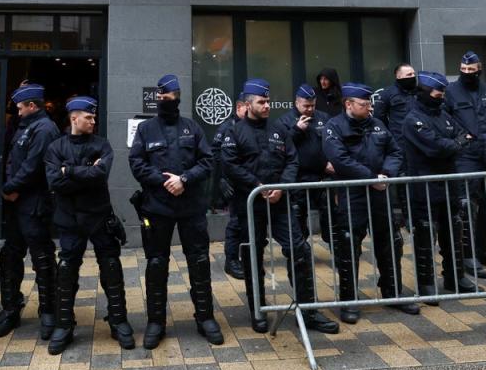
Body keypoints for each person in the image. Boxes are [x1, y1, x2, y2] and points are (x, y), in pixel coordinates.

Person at [222, 79, 339, 335]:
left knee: (300, 250)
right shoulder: (235, 132)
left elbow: (292, 161)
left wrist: (281, 187)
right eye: (261, 102)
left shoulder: (278, 130)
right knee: (253, 256)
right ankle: (258, 309)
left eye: (268, 101)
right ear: (248, 104)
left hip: (280, 203)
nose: (266, 106)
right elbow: (230, 165)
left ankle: (308, 311)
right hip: (250, 205)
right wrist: (259, 186)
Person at [129, 74, 223, 349]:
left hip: (190, 207)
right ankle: (156, 322)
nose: (163, 100)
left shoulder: (191, 127)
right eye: (160, 96)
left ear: (177, 97)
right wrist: (164, 180)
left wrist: (184, 179)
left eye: (168, 96)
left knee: (199, 261)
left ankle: (205, 317)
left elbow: (207, 161)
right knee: (157, 264)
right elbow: (136, 163)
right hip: (157, 208)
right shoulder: (146, 129)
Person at [322, 83, 418, 325]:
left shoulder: (377, 124)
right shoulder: (334, 126)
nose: (369, 108)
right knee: (349, 246)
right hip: (352, 193)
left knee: (390, 242)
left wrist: (385, 174)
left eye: (369, 104)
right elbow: (339, 159)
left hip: (380, 192)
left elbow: (395, 152)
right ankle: (349, 300)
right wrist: (370, 178)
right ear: (349, 104)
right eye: (364, 105)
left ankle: (392, 291)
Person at [44, 96, 134, 355]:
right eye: (89, 117)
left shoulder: (101, 145)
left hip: (99, 217)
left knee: (111, 268)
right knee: (67, 271)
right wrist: (83, 171)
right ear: (74, 118)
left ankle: (118, 320)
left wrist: (68, 171)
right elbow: (54, 183)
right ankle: (64, 325)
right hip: (69, 220)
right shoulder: (56, 147)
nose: (94, 121)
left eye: (94, 117)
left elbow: (99, 175)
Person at [401, 72, 478, 304]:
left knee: (453, 229)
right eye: (437, 93)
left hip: (448, 181)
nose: (441, 96)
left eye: (443, 92)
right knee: (426, 233)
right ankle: (426, 283)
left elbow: (465, 135)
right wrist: (453, 144)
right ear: (425, 92)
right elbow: (435, 147)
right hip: (424, 183)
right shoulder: (413, 119)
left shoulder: (442, 114)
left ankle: (455, 277)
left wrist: (453, 144)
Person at [0, 84, 61, 340]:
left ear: (32, 106)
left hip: (34, 203)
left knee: (42, 259)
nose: (18, 112)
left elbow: (34, 166)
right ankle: (11, 308)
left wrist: (11, 187)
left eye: (21, 108)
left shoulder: (44, 128)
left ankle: (49, 310)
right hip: (17, 205)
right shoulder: (27, 126)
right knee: (10, 256)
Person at [444, 52, 486, 277]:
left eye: (472, 71)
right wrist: (462, 138)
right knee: (466, 207)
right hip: (466, 157)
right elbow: (446, 119)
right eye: (464, 71)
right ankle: (467, 254)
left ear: (479, 70)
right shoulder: (451, 92)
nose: (467, 74)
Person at [276, 84, 333, 247]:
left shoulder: (324, 118)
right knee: (298, 219)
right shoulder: (284, 121)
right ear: (296, 103)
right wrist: (296, 130)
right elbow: (281, 148)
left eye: (312, 105)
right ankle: (301, 253)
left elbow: (332, 144)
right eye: (306, 106)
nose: (309, 109)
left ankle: (336, 250)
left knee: (331, 216)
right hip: (298, 179)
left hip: (322, 177)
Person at [211, 92, 247, 279]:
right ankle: (231, 260)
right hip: (232, 183)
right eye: (245, 108)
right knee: (235, 222)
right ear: (238, 108)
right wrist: (221, 181)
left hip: (249, 182)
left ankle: (248, 255)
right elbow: (215, 157)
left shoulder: (252, 127)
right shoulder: (226, 128)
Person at [375, 64, 417, 149]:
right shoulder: (387, 93)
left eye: (414, 74)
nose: (413, 76)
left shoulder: (420, 92)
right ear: (399, 76)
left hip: (419, 139)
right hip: (399, 140)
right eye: (409, 74)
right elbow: (378, 117)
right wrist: (389, 135)